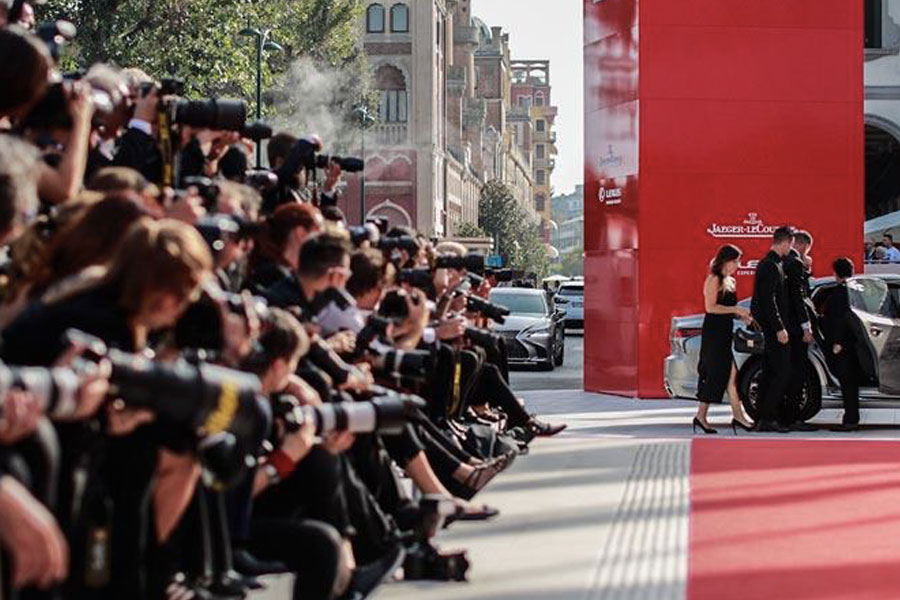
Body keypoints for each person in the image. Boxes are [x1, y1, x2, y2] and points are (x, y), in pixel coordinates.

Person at [693, 244, 754, 434]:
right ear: (726, 261)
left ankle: (735, 415)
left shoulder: (731, 281)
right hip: (714, 334)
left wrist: (741, 315)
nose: (738, 264)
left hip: (725, 332)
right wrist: (736, 309)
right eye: (736, 261)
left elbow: (726, 309)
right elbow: (711, 308)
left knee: (730, 377)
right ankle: (704, 416)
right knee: (717, 374)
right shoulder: (714, 279)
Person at [750, 226, 794, 433]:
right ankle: (767, 416)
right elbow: (768, 300)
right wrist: (779, 327)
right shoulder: (769, 265)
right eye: (790, 244)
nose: (791, 249)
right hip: (773, 330)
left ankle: (763, 417)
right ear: (785, 242)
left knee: (770, 372)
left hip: (772, 328)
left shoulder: (774, 263)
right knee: (781, 371)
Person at [781, 229, 818, 431]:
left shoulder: (786, 263)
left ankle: (789, 416)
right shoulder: (794, 265)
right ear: (802, 246)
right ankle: (792, 417)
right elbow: (800, 299)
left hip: (789, 328)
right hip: (795, 329)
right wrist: (806, 328)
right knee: (797, 372)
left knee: (793, 372)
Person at [824, 258, 864, 432]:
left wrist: (837, 342)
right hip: (857, 344)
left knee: (848, 383)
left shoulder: (841, 292)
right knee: (851, 383)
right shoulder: (858, 290)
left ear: (836, 273)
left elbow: (841, 319)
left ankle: (850, 420)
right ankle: (851, 418)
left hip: (844, 345)